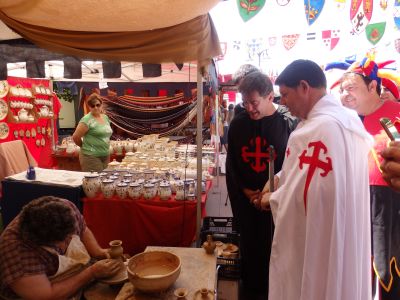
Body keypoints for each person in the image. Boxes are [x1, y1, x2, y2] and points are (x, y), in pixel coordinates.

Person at [260, 60, 372, 300]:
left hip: (318, 236)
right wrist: (280, 178)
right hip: (345, 225)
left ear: (304, 87)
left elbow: (311, 194)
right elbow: (314, 171)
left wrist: (273, 199)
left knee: (313, 283)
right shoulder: (348, 120)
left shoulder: (318, 129)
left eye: (286, 95)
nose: (284, 103)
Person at [227, 71, 297, 299]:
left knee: (276, 252)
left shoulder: (288, 123)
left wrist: (272, 196)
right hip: (248, 202)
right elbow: (233, 165)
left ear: (270, 97)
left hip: (278, 204)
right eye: (245, 102)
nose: (249, 108)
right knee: (250, 251)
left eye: (254, 102)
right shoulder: (238, 124)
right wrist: (247, 193)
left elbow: (293, 166)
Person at [338, 63, 400, 299]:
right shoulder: (345, 120)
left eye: (351, 87)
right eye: (342, 89)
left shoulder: (396, 112)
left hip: (388, 203)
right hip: (354, 198)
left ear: (372, 86)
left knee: (385, 268)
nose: (345, 94)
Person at [0, 196, 121, 299]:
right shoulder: (17, 252)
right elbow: (47, 295)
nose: (69, 243)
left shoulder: (65, 209)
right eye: (63, 241)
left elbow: (83, 228)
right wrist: (91, 273)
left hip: (71, 277)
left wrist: (97, 252)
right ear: (42, 243)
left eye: (70, 236)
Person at [72, 93, 113, 172]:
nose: (95, 107)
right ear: (89, 107)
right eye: (92, 106)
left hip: (105, 155)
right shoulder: (87, 120)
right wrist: (84, 146)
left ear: (101, 105)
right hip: (91, 157)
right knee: (96, 182)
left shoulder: (105, 117)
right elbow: (76, 137)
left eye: (97, 105)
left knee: (105, 180)